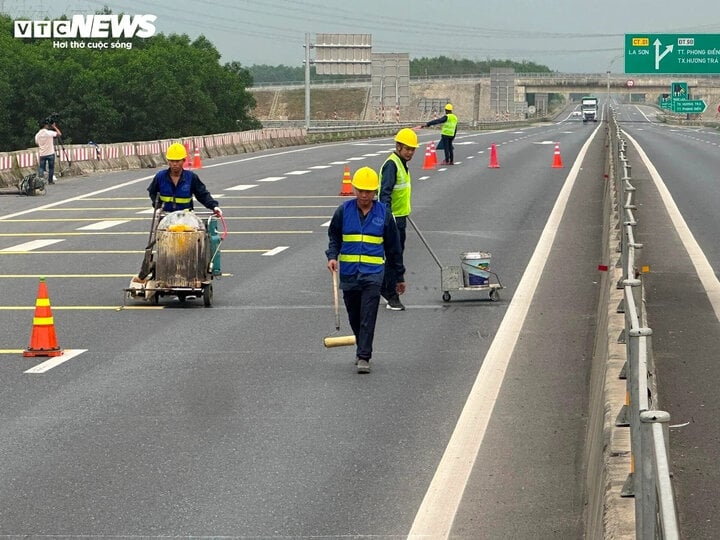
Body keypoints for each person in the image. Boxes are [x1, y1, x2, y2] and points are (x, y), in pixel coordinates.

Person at [326, 167, 406, 374]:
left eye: (368, 191)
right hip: (349, 274)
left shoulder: (384, 214)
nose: (364, 195)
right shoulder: (343, 211)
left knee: (368, 315)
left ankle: (363, 356)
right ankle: (362, 345)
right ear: (354, 189)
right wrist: (332, 256)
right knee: (354, 314)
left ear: (375, 192)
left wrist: (399, 276)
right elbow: (334, 237)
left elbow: (393, 248)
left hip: (373, 273)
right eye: (361, 190)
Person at [378, 127, 418, 311]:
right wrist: (389, 219)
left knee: (396, 254)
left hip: (400, 217)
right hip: (392, 220)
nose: (410, 152)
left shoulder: (401, 163)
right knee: (395, 256)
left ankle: (386, 289)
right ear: (398, 146)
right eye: (407, 148)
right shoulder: (392, 165)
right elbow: (384, 194)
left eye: (412, 149)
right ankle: (391, 295)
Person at [147, 143, 222, 216]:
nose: (174, 164)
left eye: (177, 161)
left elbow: (202, 195)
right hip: (165, 217)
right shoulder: (160, 177)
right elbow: (152, 192)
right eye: (172, 161)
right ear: (168, 160)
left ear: (183, 160)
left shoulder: (191, 177)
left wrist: (214, 207)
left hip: (186, 217)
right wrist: (158, 207)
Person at [35, 119, 62, 184]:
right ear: (45, 126)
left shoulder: (37, 135)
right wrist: (54, 127)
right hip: (50, 153)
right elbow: (59, 134)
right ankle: (50, 181)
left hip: (42, 153)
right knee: (51, 168)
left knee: (41, 167)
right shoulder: (49, 132)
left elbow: (37, 143)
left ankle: (41, 180)